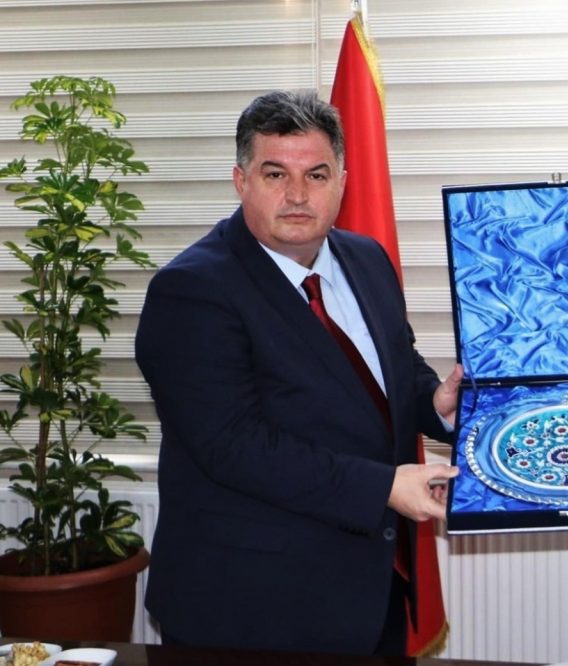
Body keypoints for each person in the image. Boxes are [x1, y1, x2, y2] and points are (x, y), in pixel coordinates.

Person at [135, 89, 461, 656]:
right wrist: (383, 487)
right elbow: (233, 445)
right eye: (275, 174)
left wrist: (435, 405)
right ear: (241, 181)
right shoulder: (191, 291)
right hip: (248, 610)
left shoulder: (367, 259)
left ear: (342, 182)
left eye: (316, 175)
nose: (297, 195)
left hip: (372, 588)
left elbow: (389, 373)